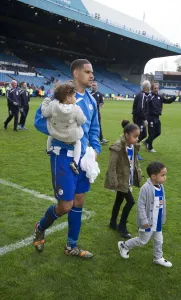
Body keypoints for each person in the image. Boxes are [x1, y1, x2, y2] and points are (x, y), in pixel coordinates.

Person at [33, 59, 101, 258]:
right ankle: (40, 226)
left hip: (83, 157)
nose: (91, 76)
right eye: (87, 72)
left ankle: (71, 246)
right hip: (62, 157)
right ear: (76, 73)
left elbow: (95, 129)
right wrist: (62, 134)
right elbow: (38, 121)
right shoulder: (60, 95)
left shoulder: (90, 100)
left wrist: (95, 150)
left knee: (79, 201)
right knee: (65, 206)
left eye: (92, 72)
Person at [118, 161, 172, 268]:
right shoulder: (145, 188)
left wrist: (162, 217)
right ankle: (124, 245)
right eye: (163, 175)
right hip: (148, 222)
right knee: (143, 241)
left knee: (159, 240)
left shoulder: (161, 186)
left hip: (157, 222)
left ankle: (158, 258)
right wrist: (144, 220)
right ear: (153, 176)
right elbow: (141, 205)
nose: (165, 177)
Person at [105, 120, 142, 238]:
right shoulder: (117, 147)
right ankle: (122, 226)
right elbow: (112, 166)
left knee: (119, 200)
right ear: (126, 135)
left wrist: (138, 174)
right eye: (135, 136)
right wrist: (114, 181)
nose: (137, 139)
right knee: (131, 202)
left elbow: (134, 163)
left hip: (128, 179)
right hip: (121, 180)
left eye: (138, 136)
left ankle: (112, 222)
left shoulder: (133, 146)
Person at [43, 81, 86, 174]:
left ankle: (48, 150)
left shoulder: (53, 105)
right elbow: (82, 120)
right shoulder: (76, 109)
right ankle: (75, 162)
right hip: (70, 137)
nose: (75, 98)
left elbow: (45, 113)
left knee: (50, 135)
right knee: (78, 143)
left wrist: (46, 101)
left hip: (56, 134)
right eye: (74, 96)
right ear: (68, 98)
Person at [143, 83, 176, 153]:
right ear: (152, 89)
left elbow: (167, 101)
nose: (156, 89)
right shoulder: (149, 96)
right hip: (150, 117)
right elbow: (145, 106)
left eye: (157, 88)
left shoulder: (160, 96)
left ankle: (147, 141)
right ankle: (150, 148)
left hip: (157, 117)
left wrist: (174, 97)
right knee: (151, 133)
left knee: (158, 132)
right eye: (155, 88)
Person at [132, 80, 151, 160]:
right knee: (140, 135)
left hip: (139, 118)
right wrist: (145, 119)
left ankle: (133, 149)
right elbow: (141, 108)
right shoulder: (142, 95)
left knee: (142, 135)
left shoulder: (143, 95)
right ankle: (133, 150)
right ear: (147, 87)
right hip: (139, 118)